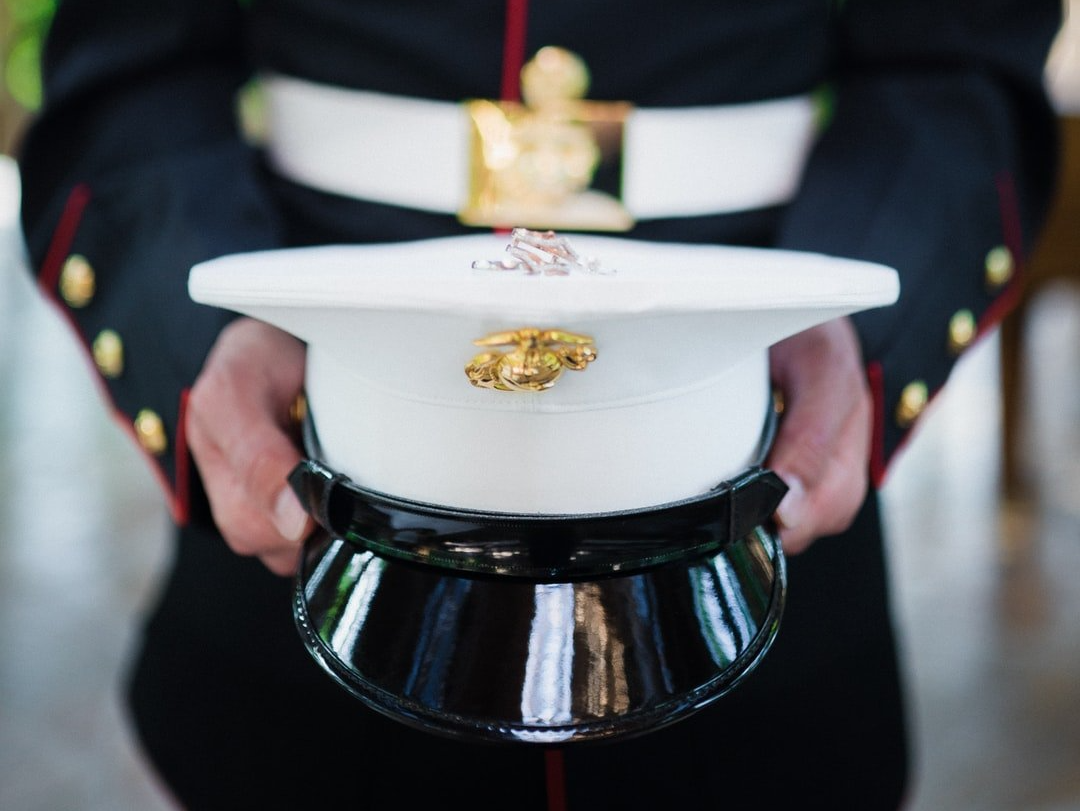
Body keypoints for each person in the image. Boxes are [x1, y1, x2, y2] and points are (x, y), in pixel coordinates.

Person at [17, 1, 1061, 808]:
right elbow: (135, 62)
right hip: (315, 479)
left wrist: (855, 317)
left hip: (751, 462)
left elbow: (952, 58)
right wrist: (201, 319)